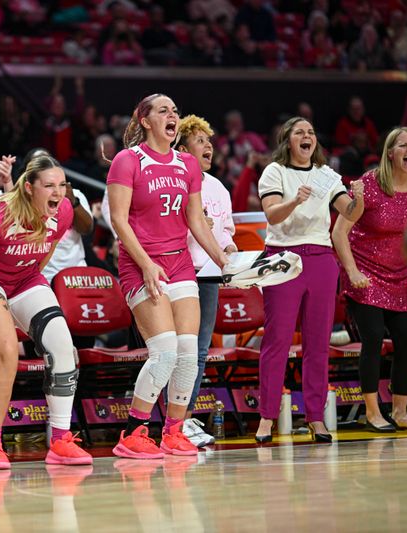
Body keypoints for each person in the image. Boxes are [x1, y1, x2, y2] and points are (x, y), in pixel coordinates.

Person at [0, 155, 92, 470]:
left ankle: (61, 440)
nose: (58, 192)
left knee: (64, 348)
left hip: (24, 278)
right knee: (7, 352)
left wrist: (26, 293)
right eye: (49, 185)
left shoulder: (64, 210)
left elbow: (48, 247)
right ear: (28, 188)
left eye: (62, 185)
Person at [107, 94, 229, 460]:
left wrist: (223, 261)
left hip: (179, 265)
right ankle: (133, 432)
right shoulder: (127, 160)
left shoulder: (187, 164)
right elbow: (118, 220)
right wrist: (145, 263)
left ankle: (173, 431)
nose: (172, 116)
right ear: (145, 121)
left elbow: (195, 221)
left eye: (175, 111)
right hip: (140, 263)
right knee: (163, 353)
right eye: (163, 111)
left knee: (189, 354)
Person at [255, 116, 364, 443]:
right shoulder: (274, 172)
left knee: (318, 343)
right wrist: (295, 200)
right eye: (299, 132)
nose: (307, 136)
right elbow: (272, 214)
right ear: (287, 140)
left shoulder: (326, 175)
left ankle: (316, 417)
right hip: (282, 258)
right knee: (277, 342)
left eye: (311, 132)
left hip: (320, 258)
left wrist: (357, 197)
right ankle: (266, 418)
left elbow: (350, 213)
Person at [332, 127, 407, 432]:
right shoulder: (370, 184)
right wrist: (352, 272)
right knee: (373, 339)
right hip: (365, 275)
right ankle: (371, 411)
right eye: (403, 146)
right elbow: (339, 232)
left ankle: (400, 409)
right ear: (390, 153)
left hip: (401, 278)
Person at [175, 115, 237, 447]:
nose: (208, 146)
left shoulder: (218, 187)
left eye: (209, 141)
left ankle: (183, 421)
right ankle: (173, 421)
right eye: (200, 141)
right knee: (177, 350)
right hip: (180, 274)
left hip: (210, 277)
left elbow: (226, 231)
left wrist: (231, 251)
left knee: (198, 352)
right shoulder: (174, 182)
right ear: (183, 150)